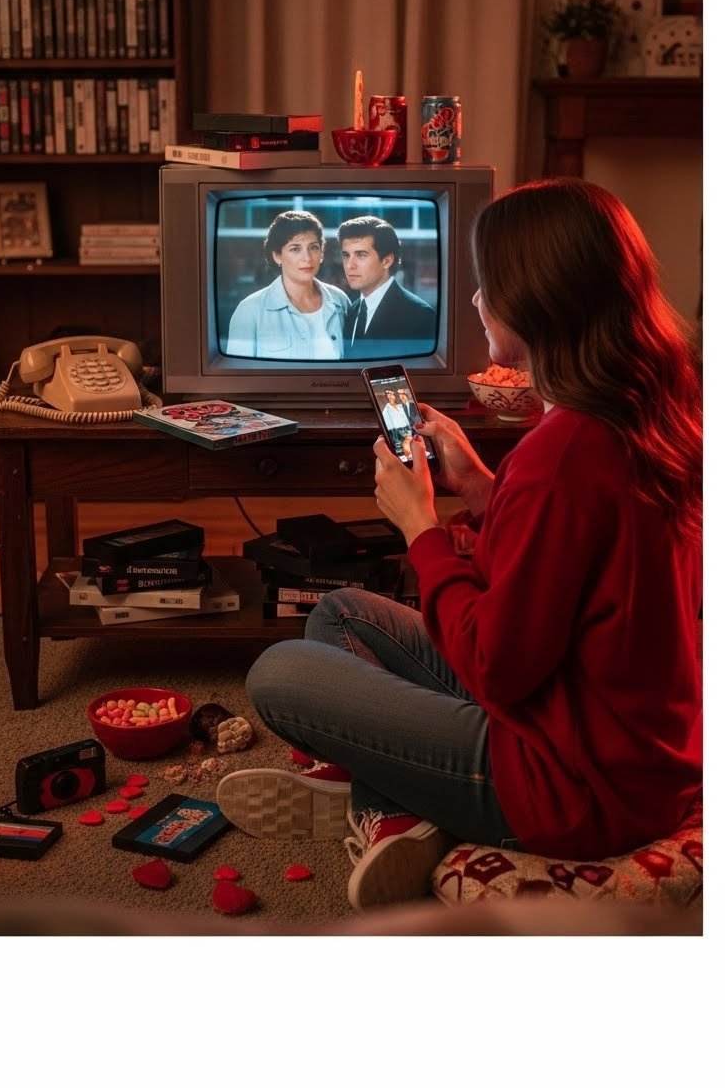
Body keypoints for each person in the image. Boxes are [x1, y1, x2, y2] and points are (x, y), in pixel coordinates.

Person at [215, 179, 702, 913]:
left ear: (535, 299)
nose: (475, 300)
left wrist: (422, 529)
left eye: (487, 284)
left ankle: (394, 806)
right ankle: (397, 801)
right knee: (340, 614)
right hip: (620, 738)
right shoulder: (649, 408)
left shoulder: (561, 455)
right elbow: (570, 565)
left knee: (280, 671)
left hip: (573, 785)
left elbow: (496, 667)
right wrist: (479, 486)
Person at [225, 210, 350, 360]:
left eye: (313, 247)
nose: (307, 258)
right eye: (295, 249)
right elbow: (238, 372)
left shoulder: (340, 301)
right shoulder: (249, 310)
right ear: (277, 256)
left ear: (321, 253)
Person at [338, 215, 436, 358]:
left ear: (387, 261)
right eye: (346, 255)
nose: (349, 265)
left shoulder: (421, 316)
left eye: (361, 255)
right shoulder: (352, 311)